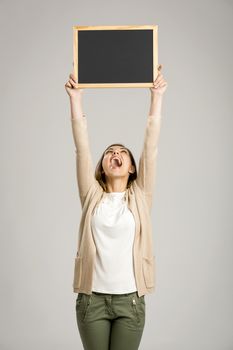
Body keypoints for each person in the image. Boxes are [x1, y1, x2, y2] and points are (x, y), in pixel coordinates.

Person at [64, 65, 168, 350]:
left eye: (122, 152)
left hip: (130, 301)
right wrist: (75, 99)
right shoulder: (91, 197)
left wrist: (156, 96)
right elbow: (82, 149)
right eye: (110, 152)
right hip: (92, 300)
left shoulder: (140, 197)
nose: (115, 154)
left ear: (132, 167)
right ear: (102, 167)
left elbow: (150, 148)